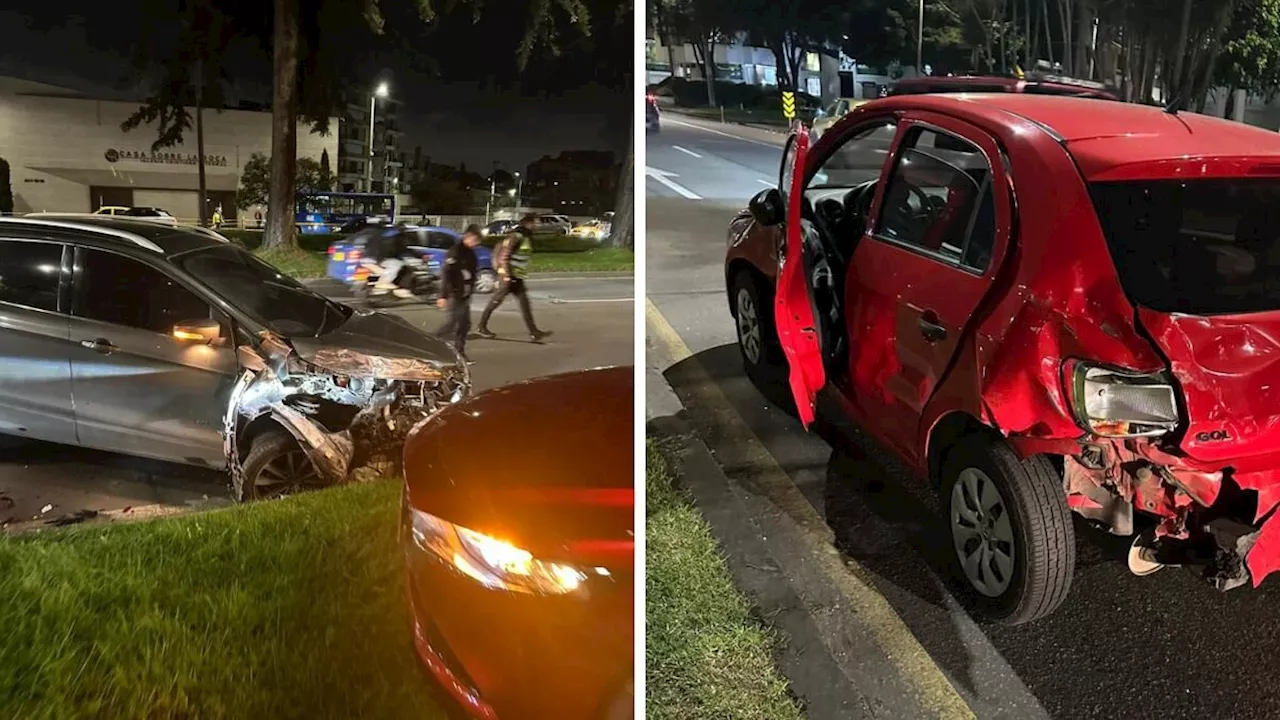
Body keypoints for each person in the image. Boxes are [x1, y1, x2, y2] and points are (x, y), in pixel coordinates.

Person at [476, 214, 552, 342]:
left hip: (516, 276)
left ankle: (534, 332)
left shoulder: (526, 236)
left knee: (524, 304)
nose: (538, 225)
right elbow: (505, 256)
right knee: (496, 300)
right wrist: (506, 276)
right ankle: (482, 326)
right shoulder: (517, 236)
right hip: (509, 276)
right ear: (529, 223)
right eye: (536, 222)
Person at [436, 225, 482, 361]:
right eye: (475, 239)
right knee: (451, 323)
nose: (477, 243)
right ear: (468, 237)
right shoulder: (455, 251)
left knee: (464, 324)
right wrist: (443, 296)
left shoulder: (471, 253)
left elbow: (472, 274)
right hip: (453, 294)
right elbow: (446, 274)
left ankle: (459, 352)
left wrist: (469, 292)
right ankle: (432, 343)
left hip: (464, 295)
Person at [365, 226, 413, 298]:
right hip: (380, 259)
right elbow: (398, 250)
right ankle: (385, 283)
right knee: (395, 266)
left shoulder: (379, 236)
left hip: (377, 258)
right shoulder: (396, 238)